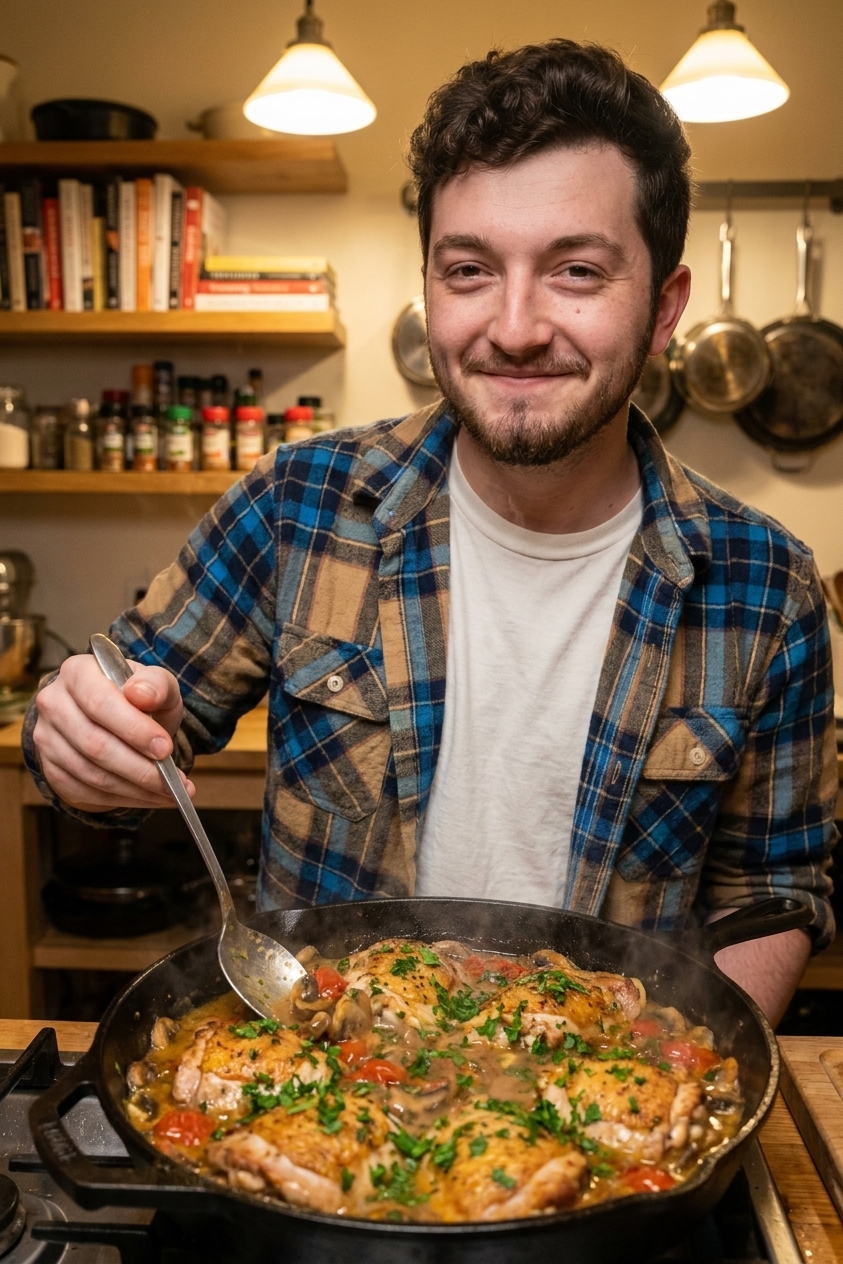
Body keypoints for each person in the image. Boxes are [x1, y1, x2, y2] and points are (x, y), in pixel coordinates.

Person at [24, 41, 836, 1026]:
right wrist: (74, 744)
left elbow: (770, 891)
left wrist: (676, 1086)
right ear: (430, 284)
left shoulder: (768, 585)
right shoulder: (300, 504)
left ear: (664, 308)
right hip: (322, 1098)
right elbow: (117, 739)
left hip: (609, 1113)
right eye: (469, 269)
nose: (517, 324)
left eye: (577, 269)